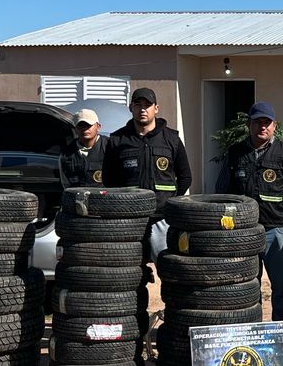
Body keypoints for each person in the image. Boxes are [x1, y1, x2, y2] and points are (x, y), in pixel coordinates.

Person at [216, 101, 283, 323]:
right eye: (257, 123)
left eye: (266, 122)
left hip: (276, 230)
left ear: (274, 126)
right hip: (244, 231)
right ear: (249, 125)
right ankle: (250, 327)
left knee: (282, 284)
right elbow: (222, 191)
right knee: (247, 283)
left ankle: (280, 330)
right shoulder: (236, 152)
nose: (262, 127)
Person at [103, 88, 192, 259]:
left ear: (156, 108)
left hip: (162, 218)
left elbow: (185, 176)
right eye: (138, 105)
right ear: (131, 108)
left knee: (167, 266)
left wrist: (171, 201)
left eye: (147, 105)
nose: (143, 109)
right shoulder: (117, 139)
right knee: (128, 269)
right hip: (129, 219)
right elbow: (109, 179)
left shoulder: (172, 138)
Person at [59, 107, 109, 189]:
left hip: (104, 199)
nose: (85, 129)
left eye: (89, 125)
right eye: (81, 125)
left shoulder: (110, 147)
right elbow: (66, 185)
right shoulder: (66, 153)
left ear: (98, 127)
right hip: (77, 200)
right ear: (75, 129)